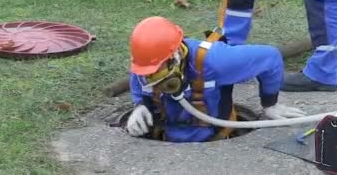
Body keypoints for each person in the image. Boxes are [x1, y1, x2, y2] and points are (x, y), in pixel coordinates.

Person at [125, 16, 306, 142]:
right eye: (146, 72)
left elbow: (270, 57)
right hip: (168, 139)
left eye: (157, 70)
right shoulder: (145, 65)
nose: (150, 77)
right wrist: (140, 105)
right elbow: (138, 77)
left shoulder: (215, 61)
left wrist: (270, 104)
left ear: (176, 55)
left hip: (215, 141)